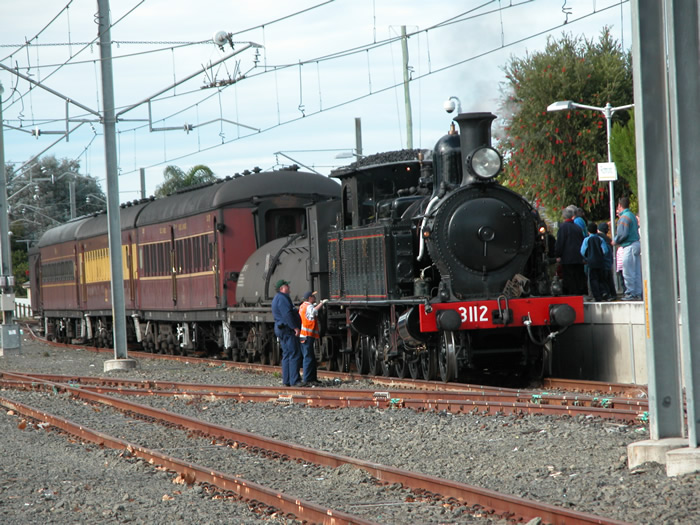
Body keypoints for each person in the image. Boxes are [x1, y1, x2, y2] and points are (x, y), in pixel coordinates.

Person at [271, 279, 302, 386]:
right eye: (287, 286)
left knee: (287, 354)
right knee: (294, 353)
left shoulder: (277, 298)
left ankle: (287, 380)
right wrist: (295, 327)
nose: (289, 287)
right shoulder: (283, 299)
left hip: (281, 328)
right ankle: (294, 380)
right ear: (281, 288)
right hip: (287, 329)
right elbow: (287, 314)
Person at [613, 197, 642, 301]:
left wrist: (615, 241)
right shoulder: (633, 216)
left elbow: (622, 234)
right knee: (637, 271)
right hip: (636, 244)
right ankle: (638, 292)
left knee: (628, 271)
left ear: (620, 206)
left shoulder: (624, 217)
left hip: (629, 246)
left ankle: (630, 293)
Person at [555, 206, 587, 295]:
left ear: (564, 217)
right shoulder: (577, 228)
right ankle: (580, 294)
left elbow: (560, 243)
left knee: (569, 279)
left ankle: (571, 294)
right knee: (578, 277)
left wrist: (558, 255)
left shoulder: (563, 228)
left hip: (567, 258)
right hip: (578, 257)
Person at [298, 291, 328, 384]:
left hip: (303, 335)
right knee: (308, 358)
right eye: (313, 296)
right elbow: (313, 312)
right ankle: (307, 379)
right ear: (309, 298)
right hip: (307, 335)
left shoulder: (302, 306)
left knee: (310, 357)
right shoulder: (309, 306)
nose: (314, 297)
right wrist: (321, 304)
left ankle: (312, 378)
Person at [580, 222, 609, 301]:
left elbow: (582, 251)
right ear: (596, 230)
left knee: (593, 279)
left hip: (591, 262)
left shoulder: (586, 240)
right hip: (600, 262)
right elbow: (605, 251)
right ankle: (603, 292)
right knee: (601, 278)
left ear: (588, 231)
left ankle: (596, 296)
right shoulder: (600, 239)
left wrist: (587, 258)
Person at [597, 222, 617, 300]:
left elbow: (604, 251)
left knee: (603, 279)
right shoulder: (608, 239)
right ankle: (613, 294)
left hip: (603, 262)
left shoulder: (599, 238)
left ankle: (606, 294)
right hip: (609, 262)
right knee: (609, 279)